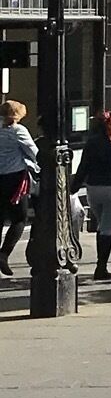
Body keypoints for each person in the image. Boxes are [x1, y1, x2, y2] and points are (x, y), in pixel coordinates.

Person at [73, 110, 111, 282]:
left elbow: (83, 166)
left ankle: (102, 264)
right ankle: (101, 266)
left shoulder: (92, 142)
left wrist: (75, 186)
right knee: (107, 227)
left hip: (93, 188)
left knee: (102, 223)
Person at [0, 97, 38, 275]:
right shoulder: (18, 130)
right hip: (14, 179)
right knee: (20, 218)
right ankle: (4, 254)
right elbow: (34, 152)